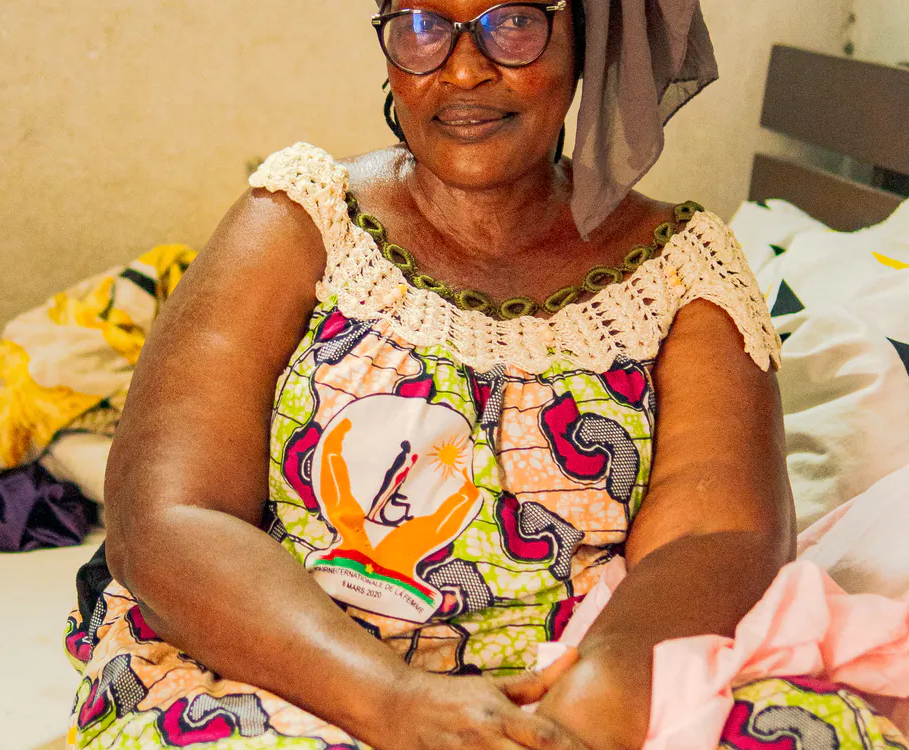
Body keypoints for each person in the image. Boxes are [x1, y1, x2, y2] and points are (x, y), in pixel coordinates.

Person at [62, 1, 908, 748]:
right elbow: (164, 515)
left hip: (568, 685)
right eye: (422, 25)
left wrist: (599, 693)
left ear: (587, 37)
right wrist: (390, 700)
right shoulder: (302, 220)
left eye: (514, 21)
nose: (464, 69)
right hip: (286, 670)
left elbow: (716, 535)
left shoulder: (683, 269)